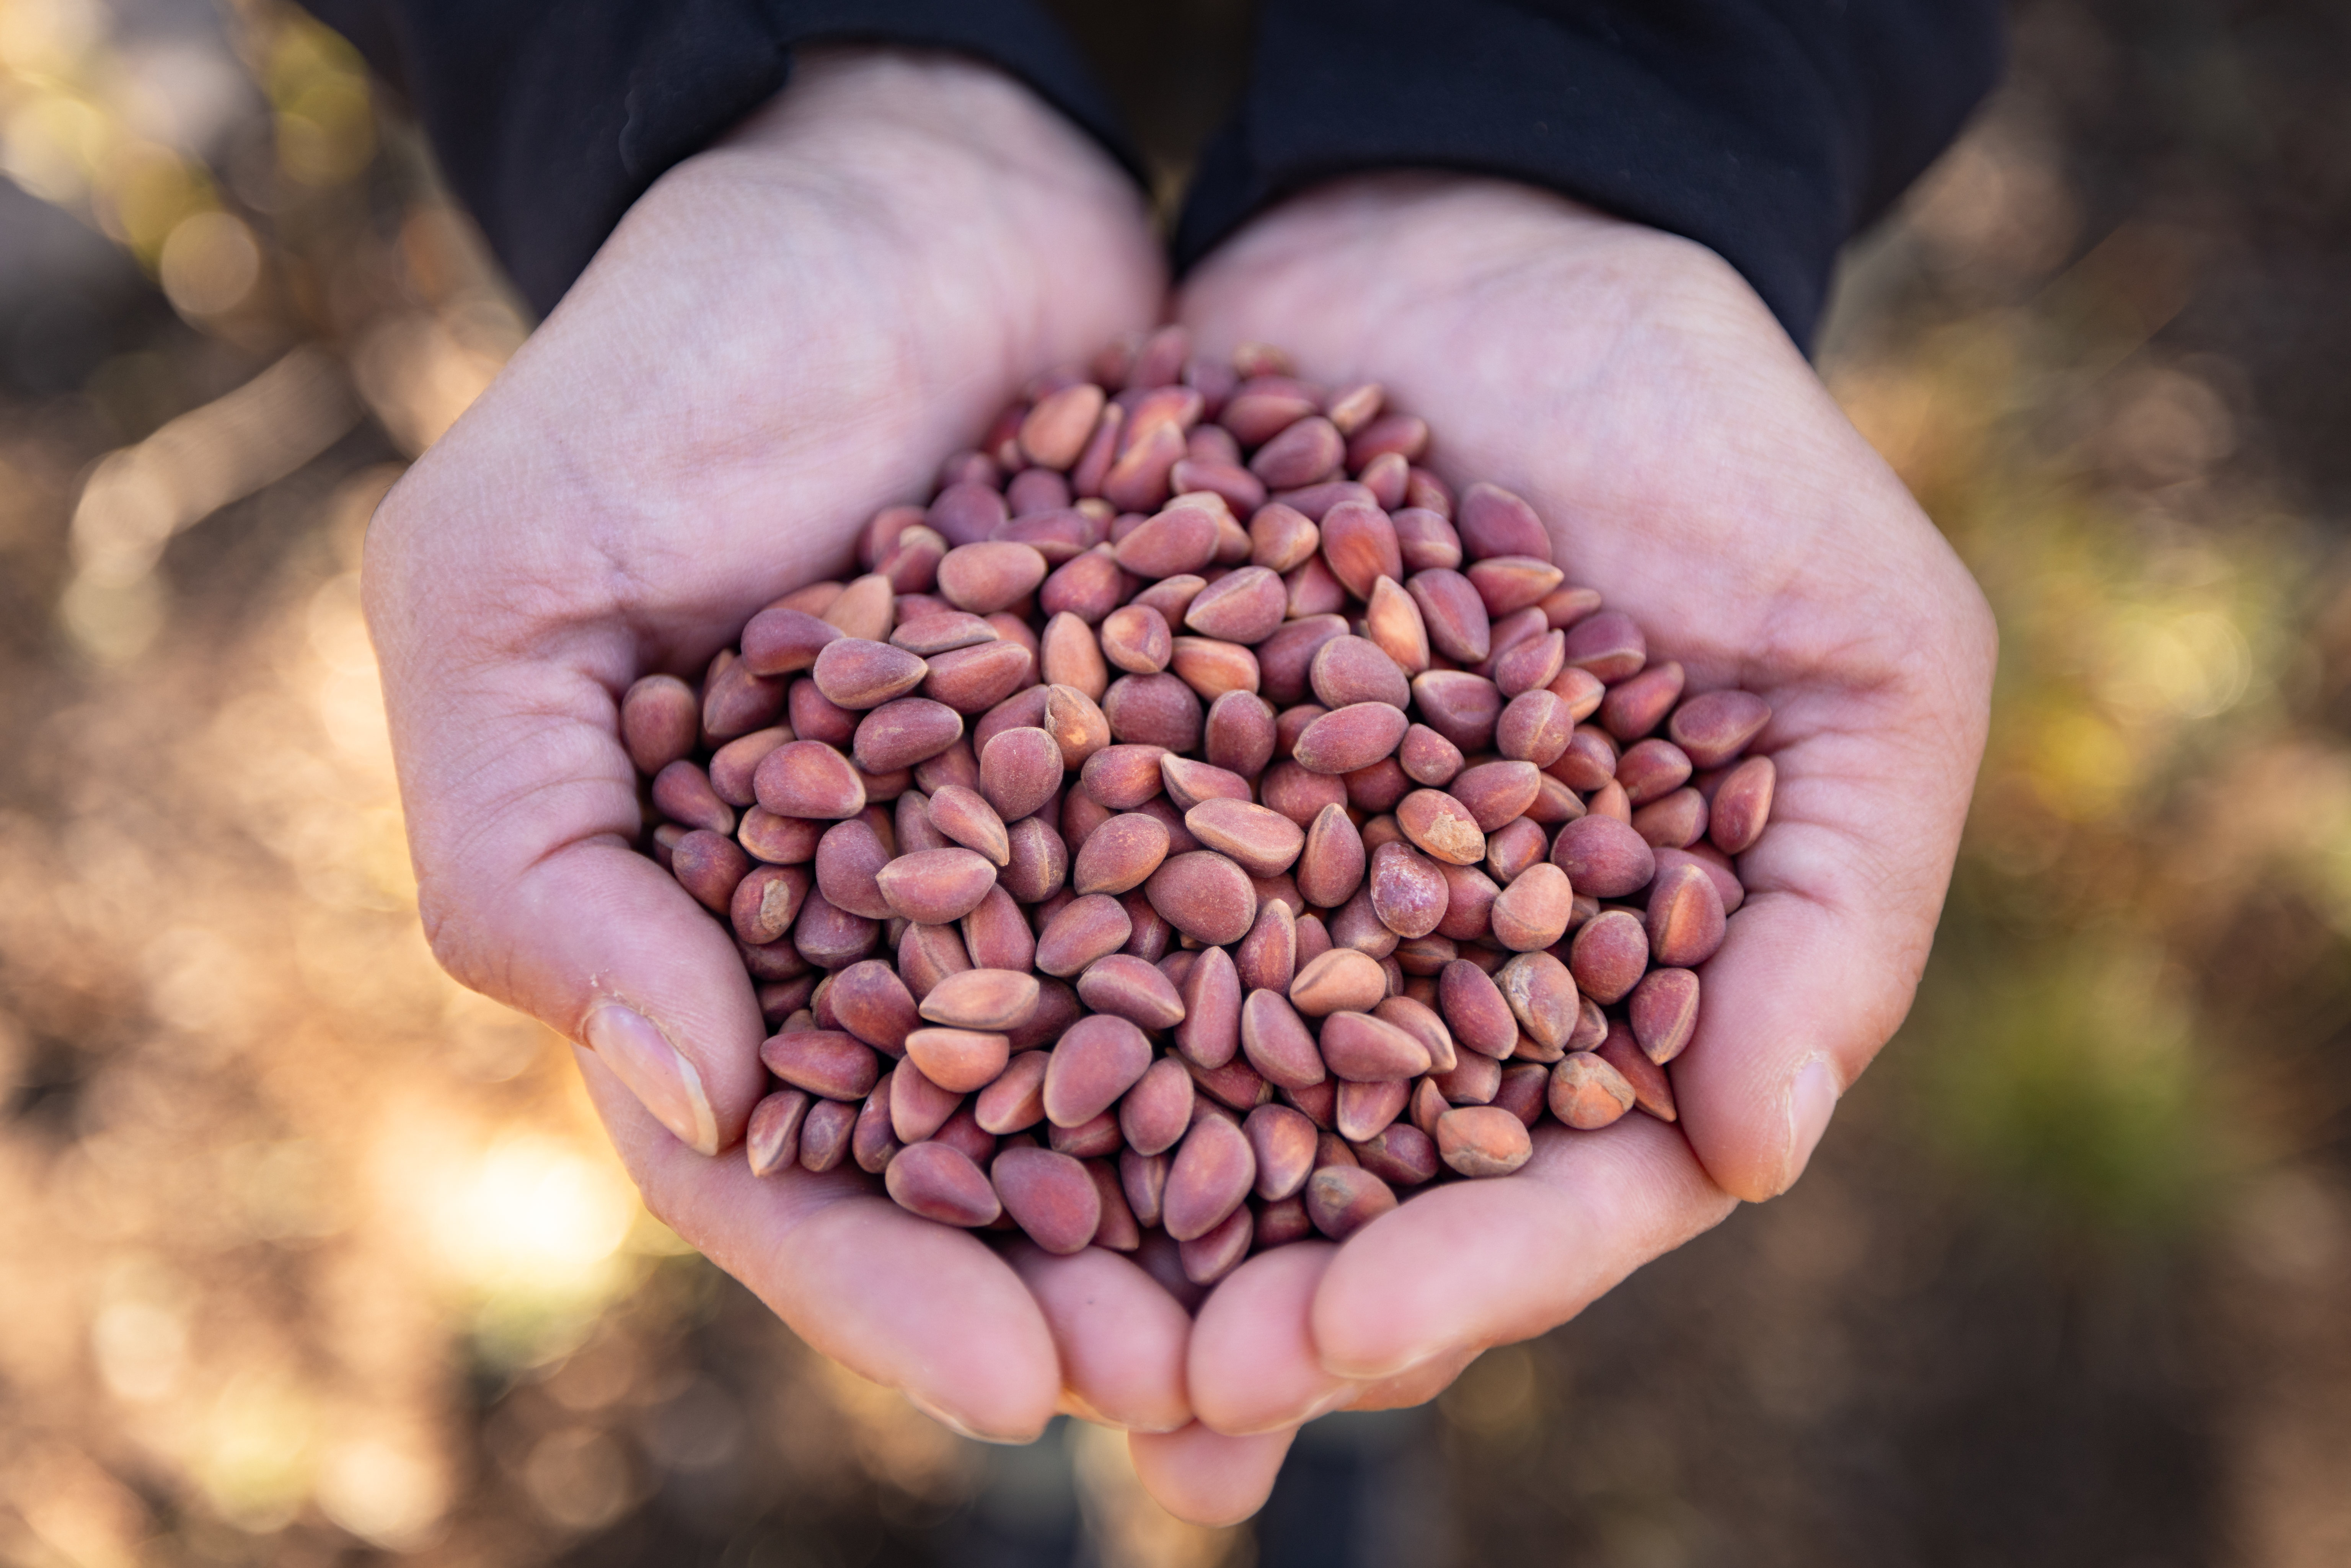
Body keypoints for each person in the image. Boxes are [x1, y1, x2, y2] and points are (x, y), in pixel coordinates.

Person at [341, 0, 2002, 1524]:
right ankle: (1049, 1444)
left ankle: (1317, 1427)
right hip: (765, 78)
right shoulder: (970, 776)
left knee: (1322, 1251)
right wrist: (789, 69)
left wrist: (1609, 100)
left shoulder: (1409, 787)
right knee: (1053, 1227)